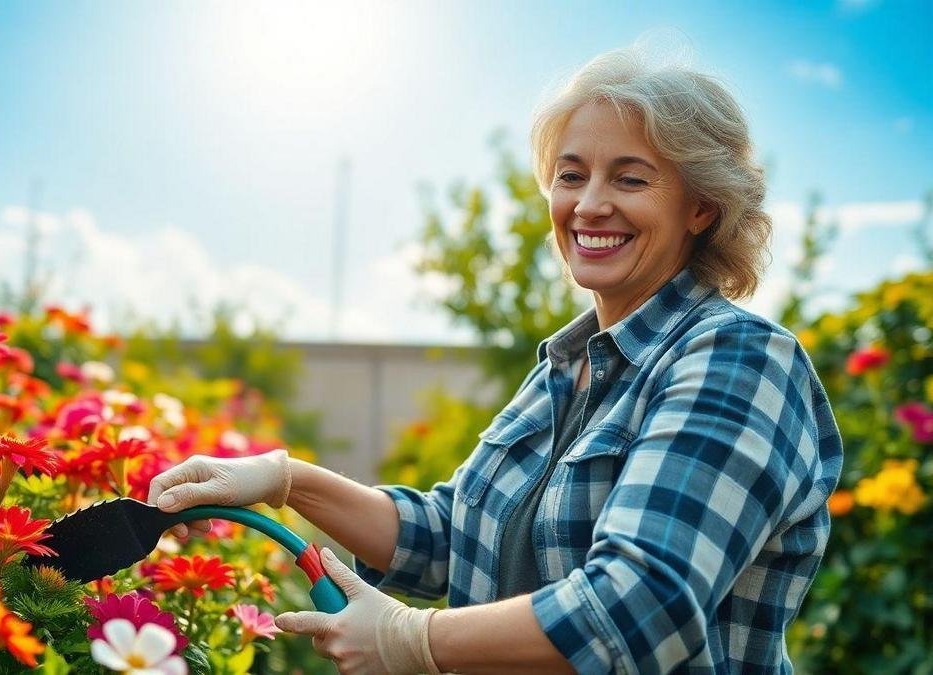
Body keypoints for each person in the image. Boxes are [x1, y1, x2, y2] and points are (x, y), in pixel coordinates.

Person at [147, 44, 844, 674]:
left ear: (701, 207)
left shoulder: (737, 362)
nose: (589, 205)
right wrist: (286, 479)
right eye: (572, 176)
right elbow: (453, 534)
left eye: (630, 180)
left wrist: (413, 639)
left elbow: (640, 604)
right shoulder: (566, 369)